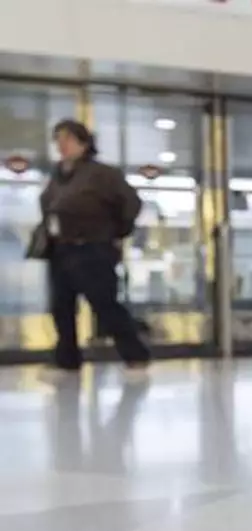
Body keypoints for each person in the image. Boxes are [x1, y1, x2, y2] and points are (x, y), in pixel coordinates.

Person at [40, 119, 150, 380]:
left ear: (84, 143)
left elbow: (131, 203)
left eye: (68, 139)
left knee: (104, 305)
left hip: (92, 249)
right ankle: (67, 360)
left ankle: (135, 355)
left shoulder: (103, 174)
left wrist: (115, 233)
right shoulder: (58, 175)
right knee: (62, 307)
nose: (62, 145)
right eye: (58, 139)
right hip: (61, 249)